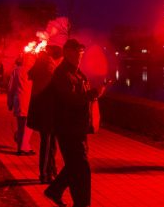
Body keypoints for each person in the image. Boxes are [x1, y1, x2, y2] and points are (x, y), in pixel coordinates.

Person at [44, 39, 106, 207]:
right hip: (68, 129)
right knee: (82, 170)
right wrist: (94, 93)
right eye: (75, 54)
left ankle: (54, 190)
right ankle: (81, 204)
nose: (79, 57)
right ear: (66, 53)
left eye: (80, 54)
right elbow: (71, 100)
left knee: (75, 165)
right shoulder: (62, 74)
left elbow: (80, 97)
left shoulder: (77, 73)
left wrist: (94, 93)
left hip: (78, 128)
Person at [27, 45, 63, 184]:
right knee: (48, 143)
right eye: (61, 58)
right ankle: (45, 174)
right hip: (47, 111)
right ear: (57, 57)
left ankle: (51, 170)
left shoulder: (42, 65)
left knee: (49, 142)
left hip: (44, 111)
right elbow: (52, 90)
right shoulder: (48, 68)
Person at [8, 53, 36, 155]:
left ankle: (24, 147)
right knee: (27, 127)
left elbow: (11, 87)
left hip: (20, 102)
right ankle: (23, 148)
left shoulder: (16, 70)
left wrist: (10, 101)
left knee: (22, 126)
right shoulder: (33, 71)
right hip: (28, 103)